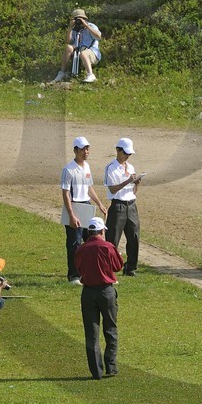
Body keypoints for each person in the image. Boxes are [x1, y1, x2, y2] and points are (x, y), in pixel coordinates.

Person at [76, 216, 123, 379]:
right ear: (102, 231)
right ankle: (111, 366)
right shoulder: (108, 247)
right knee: (110, 329)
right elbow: (118, 266)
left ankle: (96, 371)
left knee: (91, 332)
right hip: (106, 292)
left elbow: (78, 268)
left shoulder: (81, 249)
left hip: (88, 293)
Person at [61, 136, 103, 285]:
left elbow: (89, 187)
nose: (86, 151)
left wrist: (99, 203)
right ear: (75, 150)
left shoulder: (86, 167)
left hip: (86, 205)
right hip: (74, 206)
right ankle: (74, 275)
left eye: (87, 148)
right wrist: (72, 215)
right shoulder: (68, 169)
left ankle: (89, 271)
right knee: (74, 243)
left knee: (91, 240)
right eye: (83, 149)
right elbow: (65, 193)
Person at [103, 137, 144, 277]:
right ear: (118, 150)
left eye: (129, 154)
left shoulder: (130, 167)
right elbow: (112, 189)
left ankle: (131, 266)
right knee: (113, 238)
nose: (127, 156)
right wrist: (128, 181)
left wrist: (137, 183)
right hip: (118, 205)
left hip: (131, 205)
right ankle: (108, 267)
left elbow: (133, 191)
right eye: (125, 152)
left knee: (134, 236)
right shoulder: (111, 168)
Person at [54, 7, 102, 83]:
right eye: (76, 19)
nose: (79, 21)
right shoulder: (74, 29)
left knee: (83, 53)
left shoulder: (91, 26)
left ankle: (91, 75)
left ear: (85, 19)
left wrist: (86, 26)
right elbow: (68, 41)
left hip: (92, 53)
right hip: (78, 54)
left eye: (80, 19)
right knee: (68, 47)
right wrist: (70, 27)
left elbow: (98, 37)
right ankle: (62, 72)